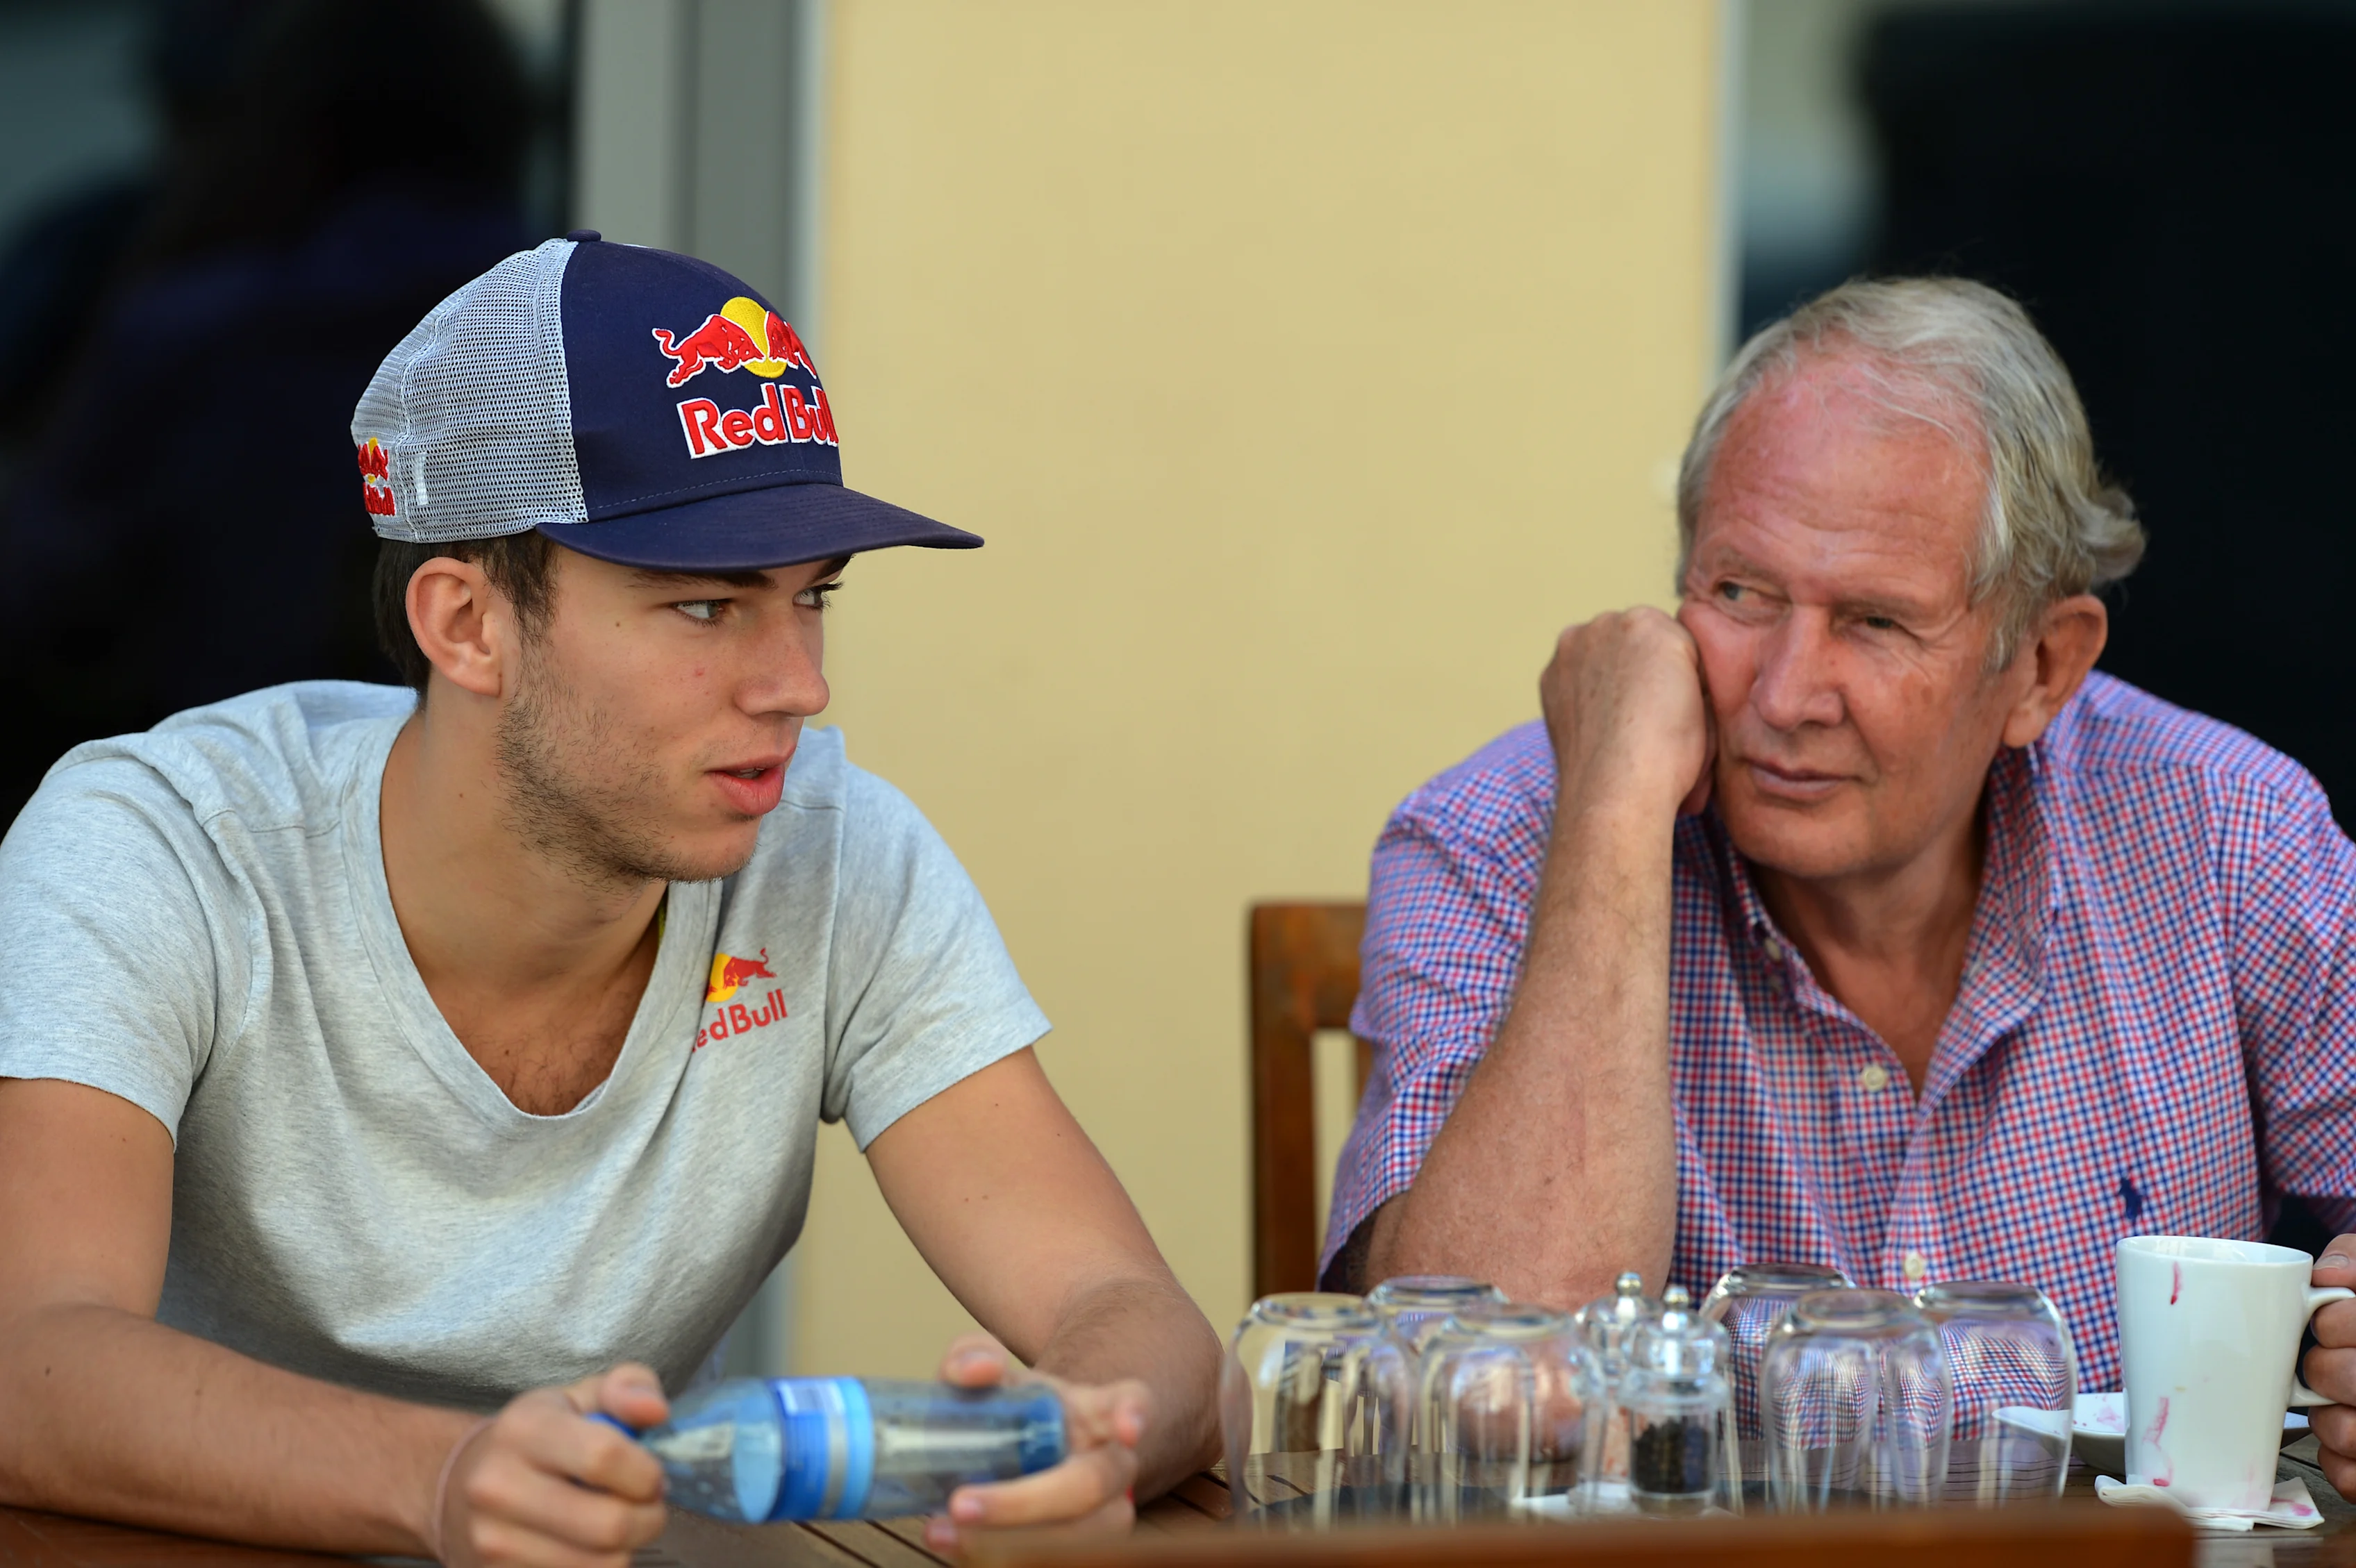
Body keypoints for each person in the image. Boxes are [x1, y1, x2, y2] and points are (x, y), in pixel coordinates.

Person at [0, 235, 1220, 1564]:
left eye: (813, 597)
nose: (798, 685)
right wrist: (454, 1476)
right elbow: (28, 1361)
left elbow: (1131, 1309)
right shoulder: (165, 842)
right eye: (707, 608)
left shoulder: (834, 846)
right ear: (466, 624)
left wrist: (1085, 1434)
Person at [1318, 276, 2356, 1485]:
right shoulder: (1498, 841)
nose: (1782, 695)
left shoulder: (2225, 829)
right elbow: (1489, 1402)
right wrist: (1608, 822)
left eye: (1872, 620)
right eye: (1741, 595)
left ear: (2042, 666)